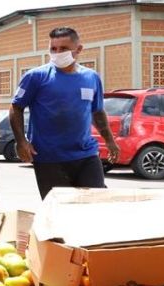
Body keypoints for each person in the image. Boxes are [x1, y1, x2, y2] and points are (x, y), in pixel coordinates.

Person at [10, 26, 120, 199]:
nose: (57, 53)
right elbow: (16, 107)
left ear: (78, 49)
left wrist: (110, 141)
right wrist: (21, 141)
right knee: (60, 209)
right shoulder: (36, 77)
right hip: (48, 158)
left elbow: (97, 112)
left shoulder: (91, 77)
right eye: (53, 49)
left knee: (96, 202)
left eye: (63, 49)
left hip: (86, 154)